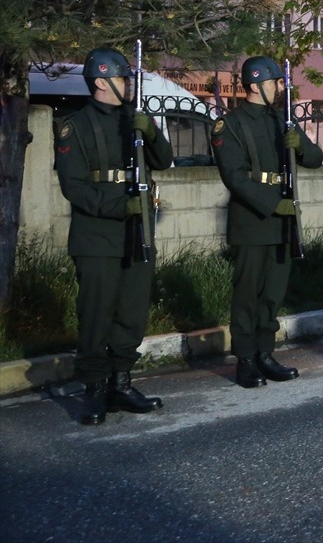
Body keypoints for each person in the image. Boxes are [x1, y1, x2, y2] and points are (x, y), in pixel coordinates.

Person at [54, 47, 174, 425]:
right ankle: (94, 389)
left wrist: (150, 130)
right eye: (124, 78)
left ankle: (121, 383)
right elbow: (74, 187)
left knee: (131, 312)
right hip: (97, 235)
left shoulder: (134, 120)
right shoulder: (75, 124)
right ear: (103, 81)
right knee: (96, 313)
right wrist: (117, 207)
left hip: (137, 231)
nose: (129, 85)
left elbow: (164, 160)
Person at [212, 56, 323, 388]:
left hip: (282, 221)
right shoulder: (230, 124)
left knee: (273, 292)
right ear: (259, 83)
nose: (280, 89)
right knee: (248, 293)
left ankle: (265, 353)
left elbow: (315, 159)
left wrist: (299, 143)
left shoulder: (282, 120)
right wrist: (275, 204)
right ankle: (245, 358)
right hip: (252, 219)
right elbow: (234, 177)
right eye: (277, 82)